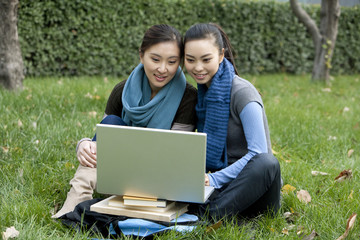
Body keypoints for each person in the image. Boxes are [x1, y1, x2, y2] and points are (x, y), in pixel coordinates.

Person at [52, 24, 197, 218]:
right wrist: (84, 144)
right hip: (118, 175)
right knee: (111, 121)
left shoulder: (188, 97)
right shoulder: (122, 90)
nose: (163, 69)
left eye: (172, 62)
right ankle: (77, 198)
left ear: (179, 63)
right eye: (155, 59)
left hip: (160, 183)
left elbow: (173, 154)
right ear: (141, 56)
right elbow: (106, 139)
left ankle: (81, 209)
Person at [183, 23, 281, 220]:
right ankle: (205, 213)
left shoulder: (243, 93)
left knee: (266, 161)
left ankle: (205, 217)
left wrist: (213, 179)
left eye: (206, 59)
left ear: (221, 55)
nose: (198, 67)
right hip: (218, 189)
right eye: (190, 60)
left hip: (254, 191)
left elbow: (258, 152)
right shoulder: (201, 96)